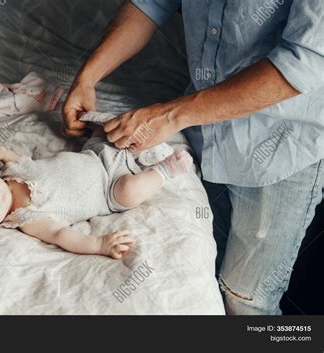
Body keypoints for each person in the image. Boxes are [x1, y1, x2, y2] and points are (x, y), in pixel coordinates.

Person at [62, 0, 324, 314]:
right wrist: (87, 78)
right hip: (202, 135)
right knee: (198, 277)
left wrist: (171, 116)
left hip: (280, 151)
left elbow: (305, 60)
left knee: (244, 302)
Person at [0, 134, 193, 259]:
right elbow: (61, 236)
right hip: (110, 189)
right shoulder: (26, 219)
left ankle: (139, 148)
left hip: (97, 155)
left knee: (108, 129)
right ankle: (164, 171)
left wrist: (5, 154)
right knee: (132, 191)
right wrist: (97, 244)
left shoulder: (10, 172)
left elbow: (23, 160)